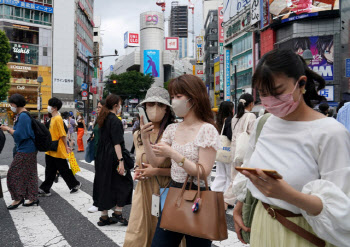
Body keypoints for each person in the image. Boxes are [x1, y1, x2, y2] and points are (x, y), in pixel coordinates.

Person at [232, 49, 350, 247]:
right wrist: (239, 206)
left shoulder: (330, 133)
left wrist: (287, 194)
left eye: (277, 92)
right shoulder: (264, 123)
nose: (270, 100)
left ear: (301, 83)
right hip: (262, 222)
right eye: (263, 93)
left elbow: (342, 208)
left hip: (302, 232)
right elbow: (250, 168)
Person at [144, 75, 220, 247]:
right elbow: (155, 161)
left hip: (198, 194)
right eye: (172, 97)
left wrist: (174, 154)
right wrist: (145, 139)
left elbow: (203, 172)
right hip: (174, 192)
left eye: (178, 97)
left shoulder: (207, 129)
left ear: (193, 98)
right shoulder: (172, 128)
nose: (174, 101)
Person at [124, 87, 180, 247]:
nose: (154, 108)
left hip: (167, 190)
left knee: (164, 237)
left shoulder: (173, 132)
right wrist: (139, 171)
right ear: (144, 108)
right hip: (144, 191)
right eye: (150, 104)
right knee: (137, 236)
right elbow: (140, 161)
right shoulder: (137, 134)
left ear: (167, 109)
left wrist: (155, 171)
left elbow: (181, 170)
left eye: (159, 105)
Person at [94, 94, 133, 226]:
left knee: (104, 183)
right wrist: (121, 161)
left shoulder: (102, 118)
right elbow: (117, 143)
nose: (121, 106)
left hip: (101, 155)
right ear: (116, 106)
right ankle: (117, 213)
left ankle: (104, 216)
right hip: (113, 156)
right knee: (126, 182)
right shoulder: (115, 120)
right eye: (120, 104)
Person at [0, 94, 38, 209]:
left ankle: (18, 198)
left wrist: (7, 129)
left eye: (11, 104)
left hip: (25, 149)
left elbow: (20, 135)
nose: (11, 106)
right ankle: (33, 198)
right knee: (30, 173)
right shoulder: (25, 115)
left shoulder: (23, 116)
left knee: (13, 174)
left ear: (15, 104)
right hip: (31, 148)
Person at [39, 97, 81, 196]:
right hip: (51, 148)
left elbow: (63, 134)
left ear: (55, 108)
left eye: (50, 105)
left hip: (58, 148)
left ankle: (75, 184)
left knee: (63, 169)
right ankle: (45, 189)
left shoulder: (58, 118)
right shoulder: (53, 118)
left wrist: (67, 146)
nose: (48, 107)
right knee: (50, 170)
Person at [224, 94, 256, 210]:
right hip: (244, 151)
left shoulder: (235, 117)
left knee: (234, 178)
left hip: (235, 150)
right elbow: (253, 134)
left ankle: (227, 201)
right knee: (246, 177)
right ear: (251, 103)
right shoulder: (251, 116)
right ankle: (229, 201)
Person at [211, 101, 234, 193]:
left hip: (219, 151)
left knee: (219, 174)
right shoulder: (229, 120)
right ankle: (225, 198)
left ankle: (215, 193)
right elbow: (230, 136)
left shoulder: (217, 120)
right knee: (229, 176)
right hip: (227, 151)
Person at [88, 99, 106, 213]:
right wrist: (91, 138)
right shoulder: (98, 119)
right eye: (97, 107)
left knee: (102, 179)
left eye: (99, 107)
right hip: (97, 152)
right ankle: (98, 201)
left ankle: (99, 202)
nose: (97, 109)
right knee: (99, 178)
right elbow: (96, 133)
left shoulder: (107, 120)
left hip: (104, 154)